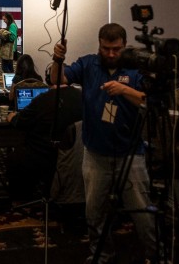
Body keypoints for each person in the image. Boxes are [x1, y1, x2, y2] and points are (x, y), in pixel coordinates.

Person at [51, 23, 159, 264]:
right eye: (106, 48)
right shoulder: (89, 64)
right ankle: (102, 255)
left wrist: (123, 89)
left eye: (116, 49)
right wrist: (58, 60)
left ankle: (154, 255)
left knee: (142, 212)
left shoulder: (135, 69)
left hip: (130, 155)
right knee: (94, 213)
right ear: (99, 45)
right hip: (95, 154)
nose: (111, 54)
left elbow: (149, 100)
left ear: (125, 45)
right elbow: (58, 80)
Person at [5, 84, 82, 201]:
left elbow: (21, 122)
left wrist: (12, 117)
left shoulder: (43, 99)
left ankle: (22, 197)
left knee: (14, 158)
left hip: (44, 155)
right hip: (74, 156)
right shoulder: (81, 96)